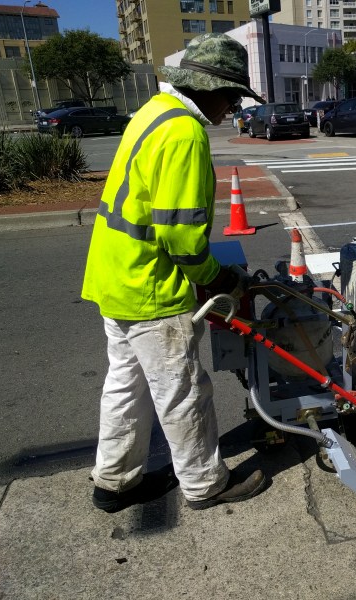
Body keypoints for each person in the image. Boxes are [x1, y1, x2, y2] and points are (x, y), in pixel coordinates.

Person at [82, 33, 267, 512]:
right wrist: (223, 279)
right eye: (230, 96)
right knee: (182, 390)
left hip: (115, 277)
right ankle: (206, 485)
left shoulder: (151, 113)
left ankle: (113, 483)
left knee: (126, 386)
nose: (232, 108)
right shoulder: (184, 132)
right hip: (153, 288)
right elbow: (181, 236)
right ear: (206, 88)